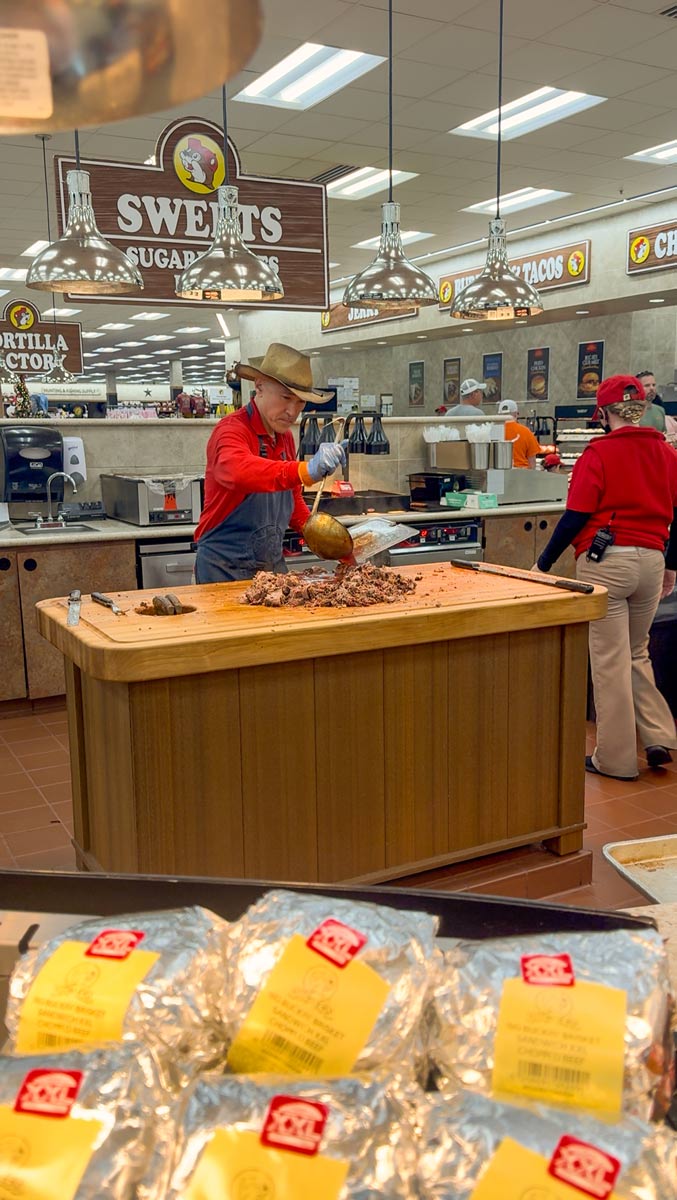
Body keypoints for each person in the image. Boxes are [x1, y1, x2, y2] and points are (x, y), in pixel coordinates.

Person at [534, 375, 677, 781]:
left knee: (611, 661)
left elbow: (575, 515)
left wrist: (543, 564)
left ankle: (614, 759)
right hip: (652, 558)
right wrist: (670, 566)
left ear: (603, 413)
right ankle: (658, 736)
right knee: (636, 652)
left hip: (607, 561)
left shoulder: (597, 455)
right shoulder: (667, 454)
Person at [194, 343, 346, 583]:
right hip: (224, 570)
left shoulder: (283, 436)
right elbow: (237, 472)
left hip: (272, 570)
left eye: (300, 403)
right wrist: (305, 470)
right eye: (286, 398)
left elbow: (291, 499)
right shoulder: (231, 431)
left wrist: (322, 537)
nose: (292, 411)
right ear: (259, 387)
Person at [496, 399, 541, 468]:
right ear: (516, 414)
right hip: (521, 474)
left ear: (499, 414)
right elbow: (532, 462)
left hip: (498, 473)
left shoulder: (493, 431)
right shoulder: (525, 431)